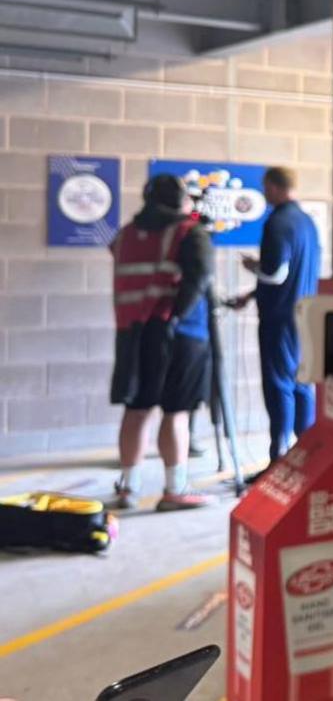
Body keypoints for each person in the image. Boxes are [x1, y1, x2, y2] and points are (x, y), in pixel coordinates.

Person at [108, 175, 213, 510]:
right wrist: (177, 315)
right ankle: (174, 489)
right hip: (179, 335)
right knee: (176, 412)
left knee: (136, 409)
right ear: (182, 199)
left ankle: (128, 487)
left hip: (134, 332)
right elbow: (201, 277)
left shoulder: (125, 235)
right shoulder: (188, 232)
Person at [229, 166, 322, 468]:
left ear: (274, 187)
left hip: (280, 318)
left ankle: (278, 459)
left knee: (279, 384)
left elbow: (276, 273)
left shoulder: (277, 222)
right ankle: (308, 454)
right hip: (305, 313)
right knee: (301, 383)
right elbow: (292, 272)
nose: (265, 193)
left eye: (266, 187)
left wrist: (254, 268)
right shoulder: (307, 222)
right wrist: (252, 293)